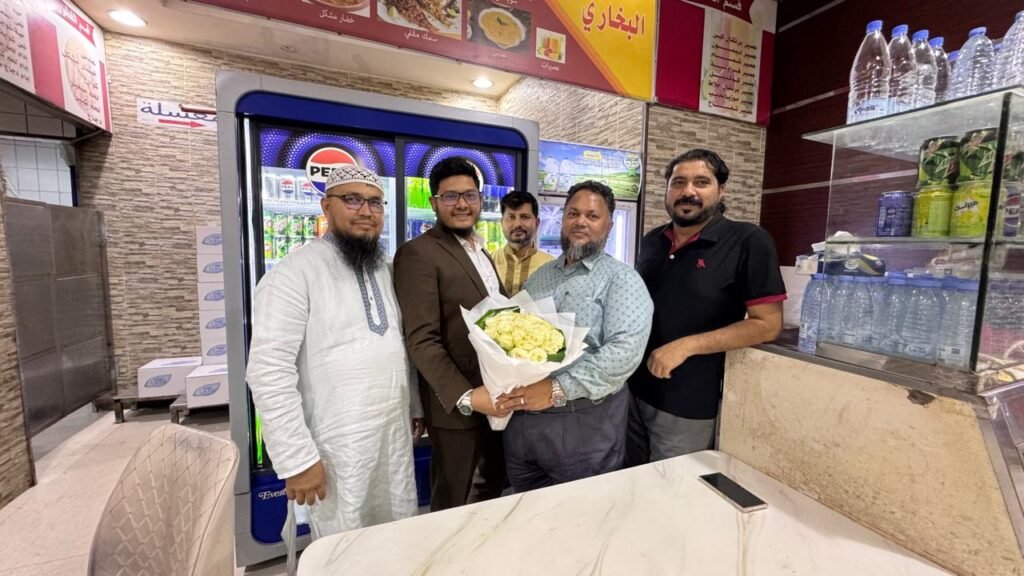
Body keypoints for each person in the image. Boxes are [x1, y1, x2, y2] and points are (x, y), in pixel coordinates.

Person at [246, 165, 422, 538]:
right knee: (342, 544)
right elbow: (268, 371)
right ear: (327, 207)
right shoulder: (293, 273)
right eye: (353, 200)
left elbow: (400, 346)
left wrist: (415, 406)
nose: (366, 211)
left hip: (393, 435)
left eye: (375, 203)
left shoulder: (386, 269)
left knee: (398, 531)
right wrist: (297, 459)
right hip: (336, 445)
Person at [627, 149, 786, 465]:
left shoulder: (748, 241)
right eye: (678, 182)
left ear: (721, 189)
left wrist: (686, 346)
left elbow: (767, 324)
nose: (688, 191)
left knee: (674, 486)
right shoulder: (653, 240)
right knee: (630, 479)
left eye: (701, 182)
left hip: (688, 405)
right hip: (633, 392)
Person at [495, 180, 653, 492]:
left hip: (585, 422)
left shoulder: (622, 279)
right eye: (573, 214)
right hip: (525, 421)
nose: (580, 221)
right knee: (525, 508)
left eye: (592, 216)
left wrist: (557, 389)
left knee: (581, 512)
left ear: (608, 226)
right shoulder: (542, 276)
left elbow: (624, 353)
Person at [394, 156, 509, 511]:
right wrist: (467, 396)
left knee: (490, 495)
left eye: (470, 195)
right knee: (453, 501)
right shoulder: (418, 254)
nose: (462, 204)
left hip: (498, 396)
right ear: (434, 203)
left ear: (480, 199)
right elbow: (421, 339)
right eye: (450, 196)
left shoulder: (483, 251)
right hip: (458, 408)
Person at [493, 191, 554, 295]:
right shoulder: (489, 262)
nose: (517, 224)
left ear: (537, 223)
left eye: (524, 217)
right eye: (511, 217)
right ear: (502, 223)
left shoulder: (550, 266)